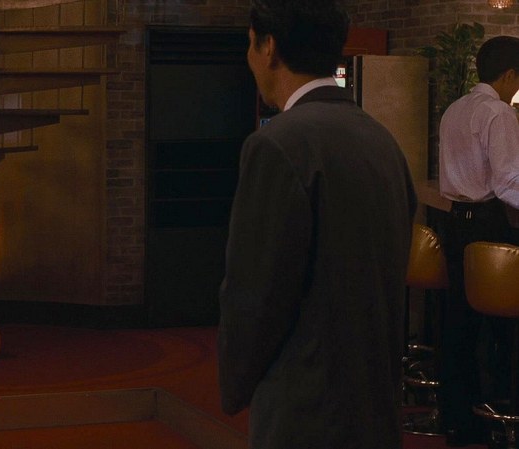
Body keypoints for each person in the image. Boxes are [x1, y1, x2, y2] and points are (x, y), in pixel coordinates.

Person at [217, 1, 417, 448]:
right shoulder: (381, 140)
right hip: (375, 407)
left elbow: (255, 292)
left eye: (249, 44)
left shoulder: (277, 144)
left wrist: (234, 384)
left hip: (306, 408)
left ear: (269, 47)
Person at [436, 36, 519, 447]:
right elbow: (507, 181)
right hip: (488, 225)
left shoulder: (455, 108)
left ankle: (458, 419)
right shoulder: (498, 112)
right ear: (509, 75)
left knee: (459, 324)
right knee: (505, 327)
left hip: (454, 223)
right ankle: (505, 410)